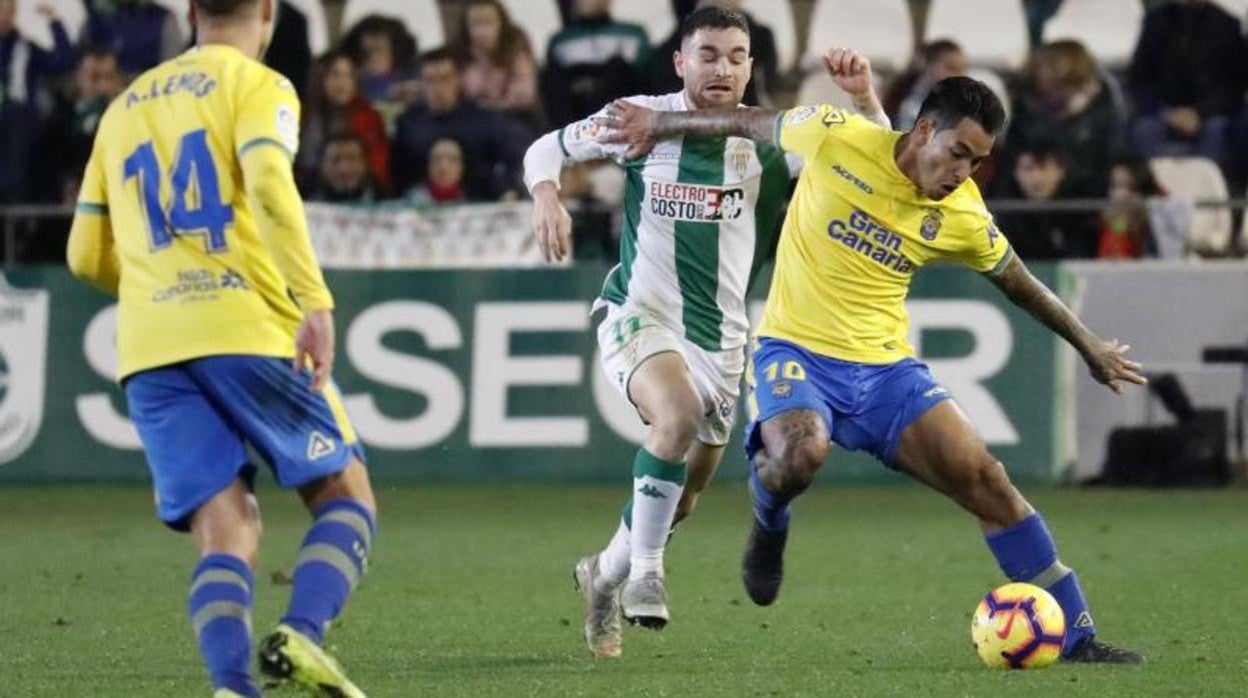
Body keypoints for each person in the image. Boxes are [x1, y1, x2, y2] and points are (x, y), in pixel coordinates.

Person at [600, 75, 1148, 664]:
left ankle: (1078, 636)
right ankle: (769, 518)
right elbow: (744, 120)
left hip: (886, 371)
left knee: (987, 480)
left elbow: (1018, 282)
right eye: (957, 152)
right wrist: (661, 124)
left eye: (978, 161)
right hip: (796, 352)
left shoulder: (961, 213)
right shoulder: (836, 136)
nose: (964, 172)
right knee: (801, 452)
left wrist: (1089, 344)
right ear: (922, 131)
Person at [524, 5, 889, 658]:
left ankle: (601, 577)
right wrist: (547, 195)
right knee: (677, 415)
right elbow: (545, 148)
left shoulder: (780, 136)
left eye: (735, 57)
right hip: (640, 313)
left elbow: (877, 165)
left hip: (722, 339)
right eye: (708, 54)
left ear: (752, 66)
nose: (721, 68)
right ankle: (646, 576)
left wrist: (864, 99)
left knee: (681, 500)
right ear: (680, 61)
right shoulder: (638, 117)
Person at [65, 1, 376, 695]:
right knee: (345, 493)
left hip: (149, 345)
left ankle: (233, 686)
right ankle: (300, 633)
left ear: (190, 11)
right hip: (247, 323)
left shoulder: (123, 108)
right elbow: (267, 181)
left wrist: (156, 282)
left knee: (225, 522)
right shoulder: (258, 86)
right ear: (268, 11)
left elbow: (85, 255)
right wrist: (314, 300)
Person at [391, 47, 531, 200]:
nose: (437, 88)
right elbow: (400, 175)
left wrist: (506, 188)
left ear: (458, 79)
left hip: (479, 203)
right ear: (421, 83)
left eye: (445, 79)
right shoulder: (409, 124)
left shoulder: (484, 120)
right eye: (430, 80)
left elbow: (518, 157)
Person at [298, 50, 390, 196]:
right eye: (334, 75)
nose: (342, 82)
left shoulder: (370, 116)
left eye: (348, 76)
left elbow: (379, 166)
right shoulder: (304, 117)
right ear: (320, 79)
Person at [456, 0, 541, 127]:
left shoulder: (516, 50)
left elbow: (523, 97)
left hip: (517, 121)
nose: (482, 30)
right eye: (476, 24)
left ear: (501, 24)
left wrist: (488, 106)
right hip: (477, 125)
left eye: (488, 22)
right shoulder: (462, 57)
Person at [883, 39, 967, 132]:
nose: (958, 76)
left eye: (961, 70)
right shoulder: (904, 101)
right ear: (929, 65)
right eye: (951, 68)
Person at [310, 131, 383, 203]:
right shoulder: (303, 200)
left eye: (352, 159)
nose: (344, 168)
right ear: (322, 166)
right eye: (335, 160)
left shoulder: (383, 198)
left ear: (365, 164)